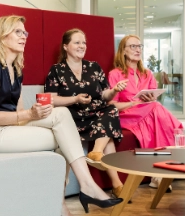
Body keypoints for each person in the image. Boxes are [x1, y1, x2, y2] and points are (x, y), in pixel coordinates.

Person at [0, 16, 122, 216]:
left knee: (61, 115)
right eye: (18, 32)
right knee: (64, 137)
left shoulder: (15, 68)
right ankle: (81, 192)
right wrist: (29, 115)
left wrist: (33, 114)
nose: (24, 36)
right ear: (1, 34)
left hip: (10, 129)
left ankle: (69, 203)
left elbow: (19, 113)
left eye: (25, 33)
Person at [108, 34, 185, 190]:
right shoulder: (115, 74)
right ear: (123, 51)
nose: (138, 49)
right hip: (126, 115)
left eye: (140, 46)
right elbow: (112, 105)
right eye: (133, 46)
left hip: (146, 112)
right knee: (156, 108)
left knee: (155, 112)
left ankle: (159, 174)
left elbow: (153, 98)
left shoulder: (147, 73)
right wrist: (133, 103)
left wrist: (148, 99)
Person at [44, 28, 129, 200]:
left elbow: (105, 96)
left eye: (84, 42)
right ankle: (117, 184)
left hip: (96, 115)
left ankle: (96, 153)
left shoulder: (94, 66)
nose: (82, 46)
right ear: (66, 47)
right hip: (71, 118)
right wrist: (75, 99)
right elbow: (51, 99)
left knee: (111, 110)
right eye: (77, 42)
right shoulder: (56, 70)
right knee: (108, 135)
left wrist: (114, 91)